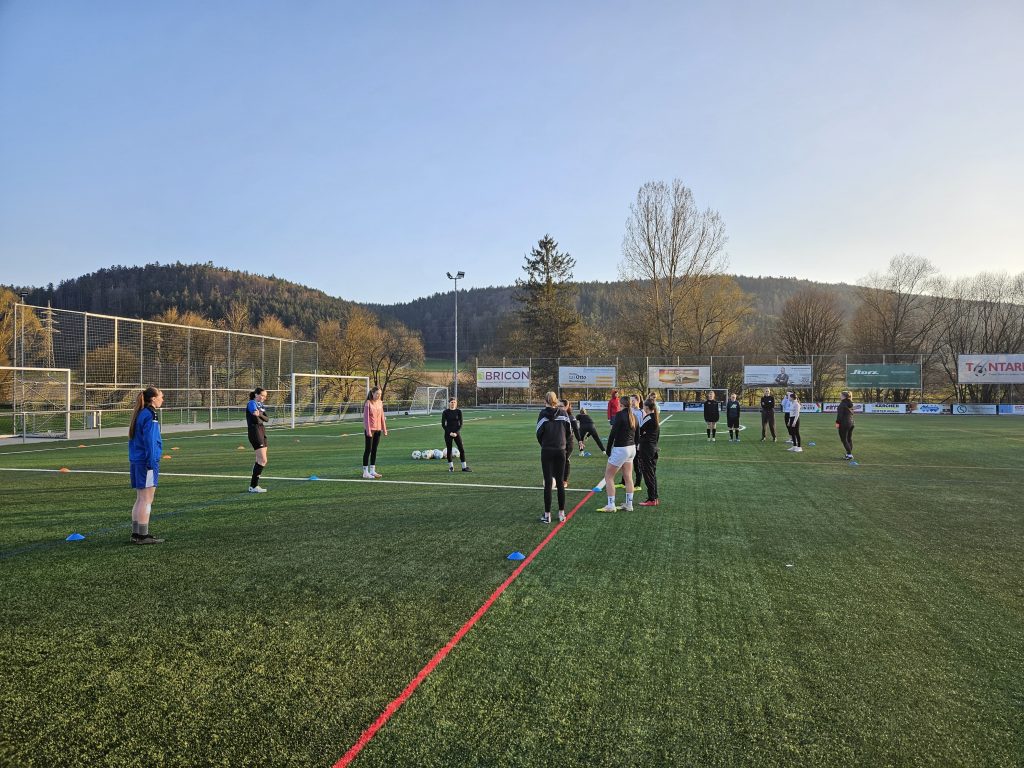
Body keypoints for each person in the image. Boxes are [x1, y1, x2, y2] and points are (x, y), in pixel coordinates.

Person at [128, 386, 165, 545]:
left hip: (137, 460)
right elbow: (150, 439)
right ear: (153, 398)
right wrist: (152, 460)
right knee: (146, 499)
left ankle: (136, 533)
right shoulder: (150, 414)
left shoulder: (140, 413)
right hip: (146, 461)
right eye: (161, 396)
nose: (162, 399)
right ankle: (143, 536)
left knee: (140, 498)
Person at [537, 391, 571, 523]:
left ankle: (547, 515)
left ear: (545, 401)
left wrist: (545, 444)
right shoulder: (563, 413)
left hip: (547, 450)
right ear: (556, 400)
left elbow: (538, 433)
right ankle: (562, 513)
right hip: (560, 450)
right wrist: (562, 443)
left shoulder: (542, 414)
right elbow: (568, 432)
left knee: (548, 483)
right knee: (560, 482)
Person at [600, 395, 639, 512]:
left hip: (621, 449)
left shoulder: (619, 415)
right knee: (628, 477)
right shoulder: (634, 416)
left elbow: (613, 433)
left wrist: (608, 450)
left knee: (608, 476)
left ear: (620, 404)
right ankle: (629, 504)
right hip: (632, 449)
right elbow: (637, 436)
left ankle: (611, 505)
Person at [637, 398, 660, 506]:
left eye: (644, 406)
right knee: (652, 474)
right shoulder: (655, 417)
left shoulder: (648, 417)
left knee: (648, 474)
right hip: (652, 448)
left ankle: (652, 499)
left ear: (646, 407)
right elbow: (656, 435)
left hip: (647, 449)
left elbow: (639, 431)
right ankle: (654, 497)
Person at [246, 387, 270, 493]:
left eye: (265, 396)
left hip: (261, 431)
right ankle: (254, 486)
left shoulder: (260, 405)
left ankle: (253, 486)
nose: (264, 397)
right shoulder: (252, 403)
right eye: (262, 395)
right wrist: (257, 413)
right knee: (263, 460)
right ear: (256, 394)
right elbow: (254, 413)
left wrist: (259, 413)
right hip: (255, 432)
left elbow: (267, 419)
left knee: (260, 460)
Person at [362, 386, 387, 478]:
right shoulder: (368, 403)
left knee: (374, 450)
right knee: (368, 450)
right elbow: (366, 419)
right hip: (370, 430)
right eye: (377, 394)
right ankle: (365, 472)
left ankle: (372, 471)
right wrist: (368, 431)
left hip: (378, 430)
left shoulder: (380, 403)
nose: (378, 395)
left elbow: (382, 416)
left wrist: (384, 429)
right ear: (372, 393)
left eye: (380, 394)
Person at [441, 397, 471, 472]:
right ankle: (451, 467)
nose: (453, 404)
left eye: (454, 402)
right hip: (448, 433)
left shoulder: (459, 412)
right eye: (451, 402)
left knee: (461, 449)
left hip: (456, 433)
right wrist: (450, 433)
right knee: (449, 450)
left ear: (456, 403)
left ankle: (464, 467)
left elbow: (461, 424)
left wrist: (456, 433)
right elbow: (443, 425)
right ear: (449, 403)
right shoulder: (445, 412)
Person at [559, 399, 582, 486]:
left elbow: (576, 430)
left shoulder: (571, 418)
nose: (559, 408)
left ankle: (564, 480)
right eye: (558, 406)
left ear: (566, 407)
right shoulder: (556, 416)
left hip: (568, 443)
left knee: (565, 460)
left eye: (561, 406)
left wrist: (580, 441)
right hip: (558, 443)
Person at [836, 390, 855, 460]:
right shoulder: (850, 403)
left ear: (844, 396)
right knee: (849, 439)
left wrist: (837, 423)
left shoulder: (842, 404)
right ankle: (848, 454)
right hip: (851, 423)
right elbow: (852, 413)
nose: (840, 396)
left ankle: (849, 455)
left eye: (841, 395)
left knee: (844, 439)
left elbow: (840, 416)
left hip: (844, 424)